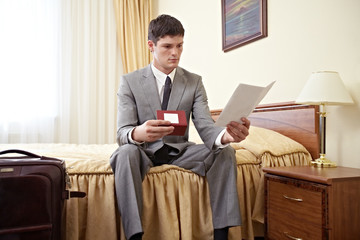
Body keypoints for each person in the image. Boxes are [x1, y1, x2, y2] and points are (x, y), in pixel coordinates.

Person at [110, 14, 250, 240]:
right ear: (151, 46)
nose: (174, 53)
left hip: (180, 152)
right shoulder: (130, 81)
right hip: (142, 152)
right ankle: (134, 236)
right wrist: (139, 133)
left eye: (179, 46)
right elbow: (122, 132)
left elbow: (206, 126)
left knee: (226, 153)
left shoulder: (194, 82)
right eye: (167, 46)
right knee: (124, 153)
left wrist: (226, 136)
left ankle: (222, 234)